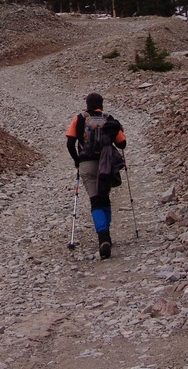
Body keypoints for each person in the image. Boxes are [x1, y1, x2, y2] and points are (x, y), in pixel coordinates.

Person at [66, 92, 126, 259]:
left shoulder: (79, 118)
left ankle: (103, 236)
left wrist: (77, 160)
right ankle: (106, 235)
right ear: (102, 104)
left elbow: (70, 143)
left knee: (95, 200)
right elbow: (122, 143)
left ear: (87, 104)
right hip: (106, 163)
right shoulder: (109, 119)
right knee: (104, 197)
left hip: (86, 163)